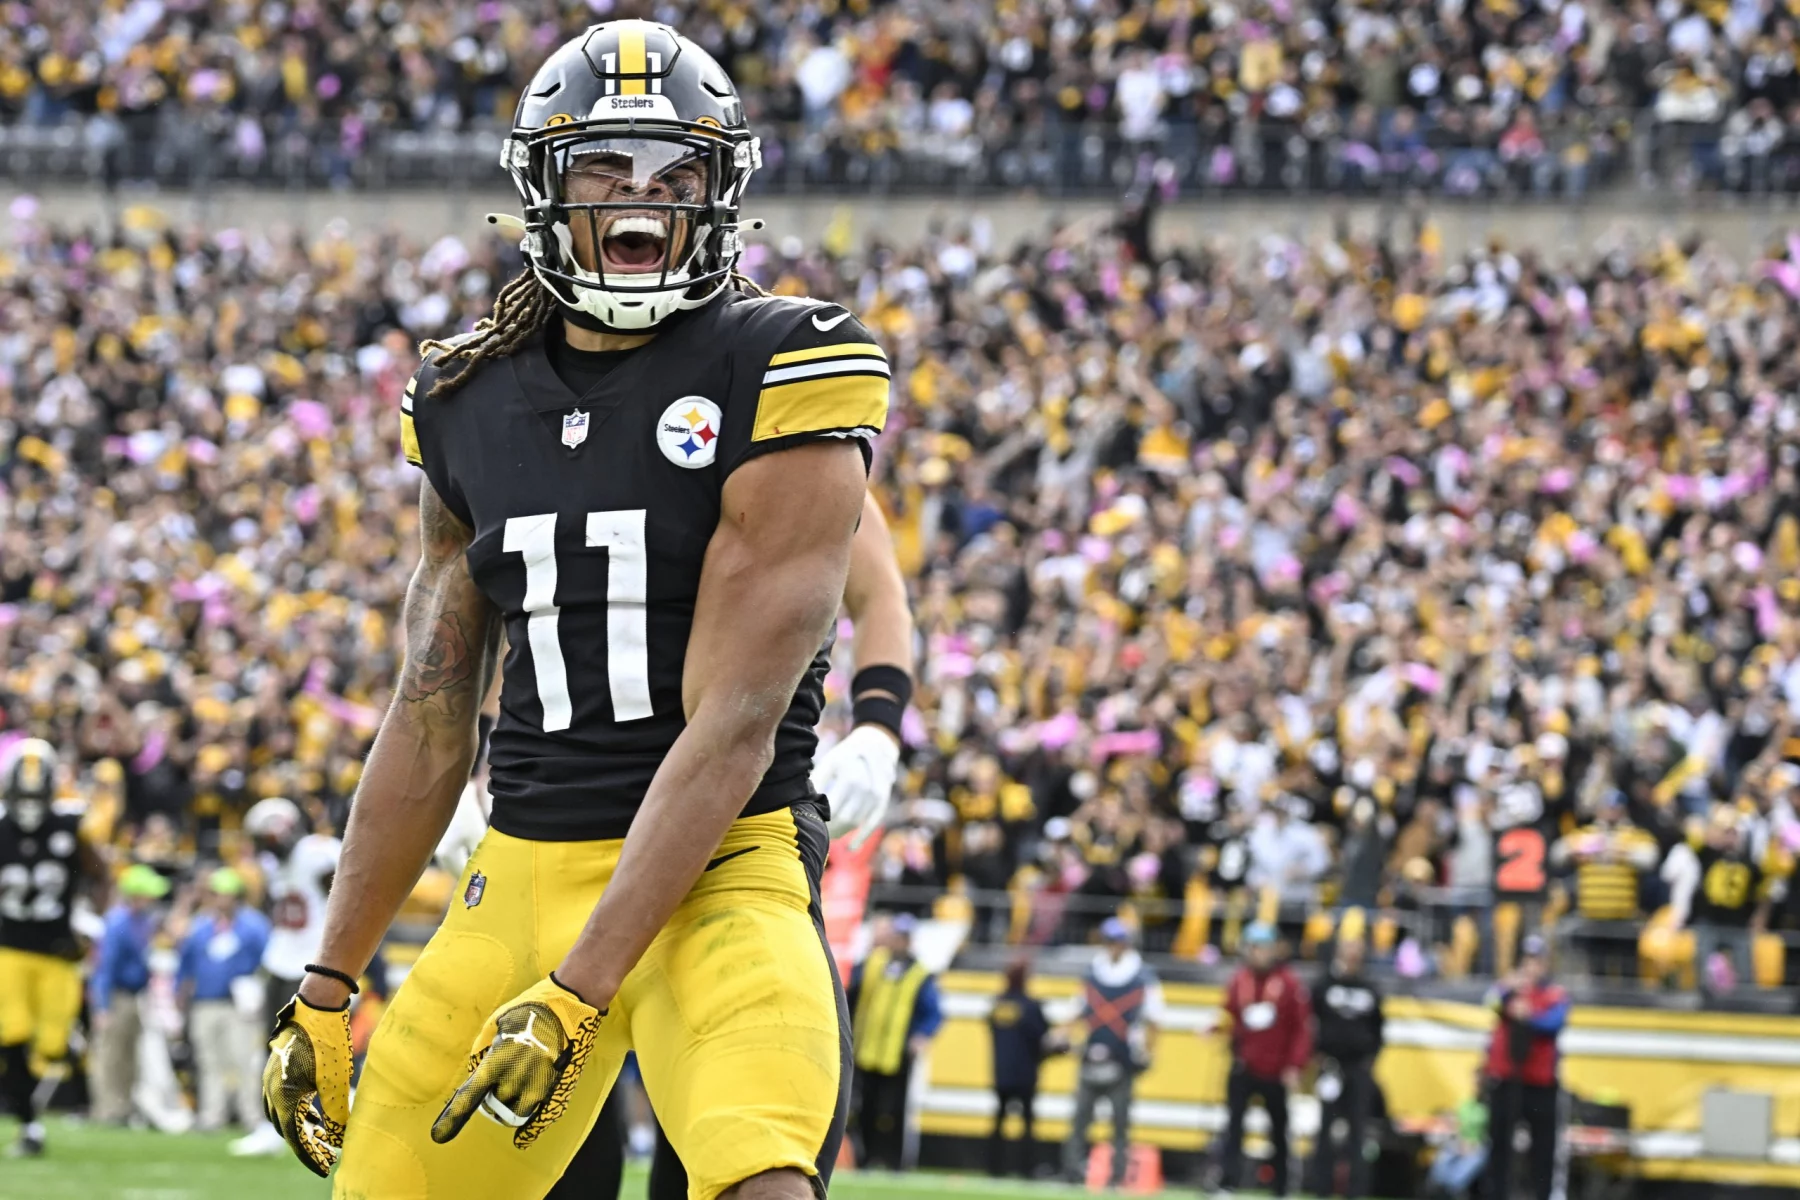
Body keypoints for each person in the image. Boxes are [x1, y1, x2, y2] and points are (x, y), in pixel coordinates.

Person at [257, 19, 891, 1200]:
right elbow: (433, 712)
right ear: (542, 187)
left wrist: (581, 989)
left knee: (763, 1179)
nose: (644, 199)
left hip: (722, 869)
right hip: (523, 873)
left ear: (725, 191)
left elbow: (734, 725)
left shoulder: (786, 364)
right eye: (606, 165)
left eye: (678, 172)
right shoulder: (465, 395)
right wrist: (331, 978)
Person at [0, 738, 100, 1158]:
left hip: (58, 949)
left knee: (53, 1046)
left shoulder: (70, 825)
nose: (28, 804)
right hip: (8, 948)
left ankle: (70, 1091)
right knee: (11, 1035)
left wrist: (90, 917)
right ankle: (29, 1125)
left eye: (34, 795)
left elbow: (101, 872)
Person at [232, 796, 340, 1156]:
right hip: (280, 961)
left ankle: (328, 1125)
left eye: (269, 842)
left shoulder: (318, 852)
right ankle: (271, 1125)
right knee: (276, 1049)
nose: (268, 850)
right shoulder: (272, 864)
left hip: (313, 964)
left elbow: (346, 891)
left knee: (317, 1052)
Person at [1062, 918, 1162, 1186]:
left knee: (1120, 1123)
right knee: (1080, 1119)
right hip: (1091, 1054)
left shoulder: (1142, 976)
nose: (1112, 947)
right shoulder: (1092, 972)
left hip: (1123, 1058)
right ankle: (1071, 1171)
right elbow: (1077, 1009)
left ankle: (1118, 1176)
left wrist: (1149, 1052)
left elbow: (1154, 1019)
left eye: (1117, 942)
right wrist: (1064, 1036)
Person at [1218, 922, 1311, 1198]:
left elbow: (1301, 1028)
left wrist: (1295, 1065)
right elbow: (1228, 1015)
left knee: (1279, 1130)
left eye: (1264, 948)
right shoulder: (1239, 980)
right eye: (1255, 948)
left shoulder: (1289, 983)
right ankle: (1226, 1184)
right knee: (1233, 1127)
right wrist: (1217, 1028)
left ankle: (1281, 1187)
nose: (1259, 954)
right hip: (1244, 1064)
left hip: (1276, 1069)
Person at [177, 868, 271, 1132]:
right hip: (205, 1001)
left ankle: (251, 1116)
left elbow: (267, 962)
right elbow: (186, 964)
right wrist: (181, 993)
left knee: (245, 1061)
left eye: (227, 895)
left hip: (238, 1004)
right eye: (217, 894)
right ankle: (212, 1115)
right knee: (209, 1061)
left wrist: (257, 992)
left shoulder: (254, 926)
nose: (222, 900)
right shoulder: (200, 926)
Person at [848, 914, 943, 1170]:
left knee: (895, 1113)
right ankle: (864, 1160)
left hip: (898, 1055)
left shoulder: (920, 974)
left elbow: (933, 1013)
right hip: (867, 1051)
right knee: (865, 1110)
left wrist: (921, 1036)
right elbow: (850, 990)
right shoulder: (873, 963)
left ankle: (894, 1162)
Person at [1484, 934, 1569, 1200]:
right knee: (1499, 1146)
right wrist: (1508, 988)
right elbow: (1490, 1002)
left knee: (1542, 1151)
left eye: (1537, 961)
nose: (1532, 967)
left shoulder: (1555, 995)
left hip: (1539, 1084)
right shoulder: (1510, 991)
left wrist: (1528, 1014)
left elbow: (1554, 1022)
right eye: (1527, 960)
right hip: (1507, 1080)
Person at [88, 864, 172, 1125]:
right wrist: (102, 1006)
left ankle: (124, 1108)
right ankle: (107, 1110)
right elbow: (105, 967)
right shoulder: (117, 922)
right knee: (111, 1055)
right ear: (137, 894)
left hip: (136, 996)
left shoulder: (143, 921)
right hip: (116, 996)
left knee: (131, 1056)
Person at [1307, 936, 1385, 1198]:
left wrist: (1372, 1056)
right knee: (1325, 1130)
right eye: (1348, 949)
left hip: (1358, 1068)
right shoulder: (1324, 984)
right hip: (1330, 1066)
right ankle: (1321, 1189)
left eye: (1357, 950)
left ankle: (1356, 1191)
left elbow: (1379, 1027)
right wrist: (1315, 1053)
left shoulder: (1370, 987)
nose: (1352, 955)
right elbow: (1310, 1020)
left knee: (1358, 1132)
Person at [987, 957, 1054, 1178]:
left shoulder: (998, 1004)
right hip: (1025, 1073)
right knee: (1027, 1123)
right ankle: (1026, 1168)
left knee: (999, 1121)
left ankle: (994, 1168)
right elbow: (1042, 1038)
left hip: (1001, 1072)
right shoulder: (1031, 1007)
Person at [1424, 1071, 1490, 1199]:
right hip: (1461, 1143)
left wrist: (1472, 1145)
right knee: (1444, 1156)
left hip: (1480, 1146)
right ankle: (1438, 1185)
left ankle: (1453, 1189)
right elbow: (1457, 1126)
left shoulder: (1491, 1106)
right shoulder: (1465, 1104)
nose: (1476, 1085)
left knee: (1474, 1158)